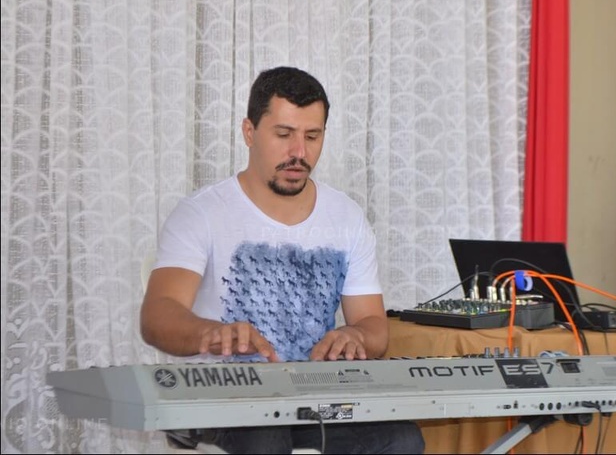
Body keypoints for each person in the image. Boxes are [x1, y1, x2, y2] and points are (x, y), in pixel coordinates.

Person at [140, 66, 425, 455]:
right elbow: (158, 315)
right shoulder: (201, 213)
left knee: (402, 439)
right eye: (284, 134)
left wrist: (355, 336)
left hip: (313, 402)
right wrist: (210, 333)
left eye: (312, 136)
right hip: (224, 401)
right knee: (266, 440)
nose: (299, 153)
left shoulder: (346, 217)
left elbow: (374, 327)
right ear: (249, 132)